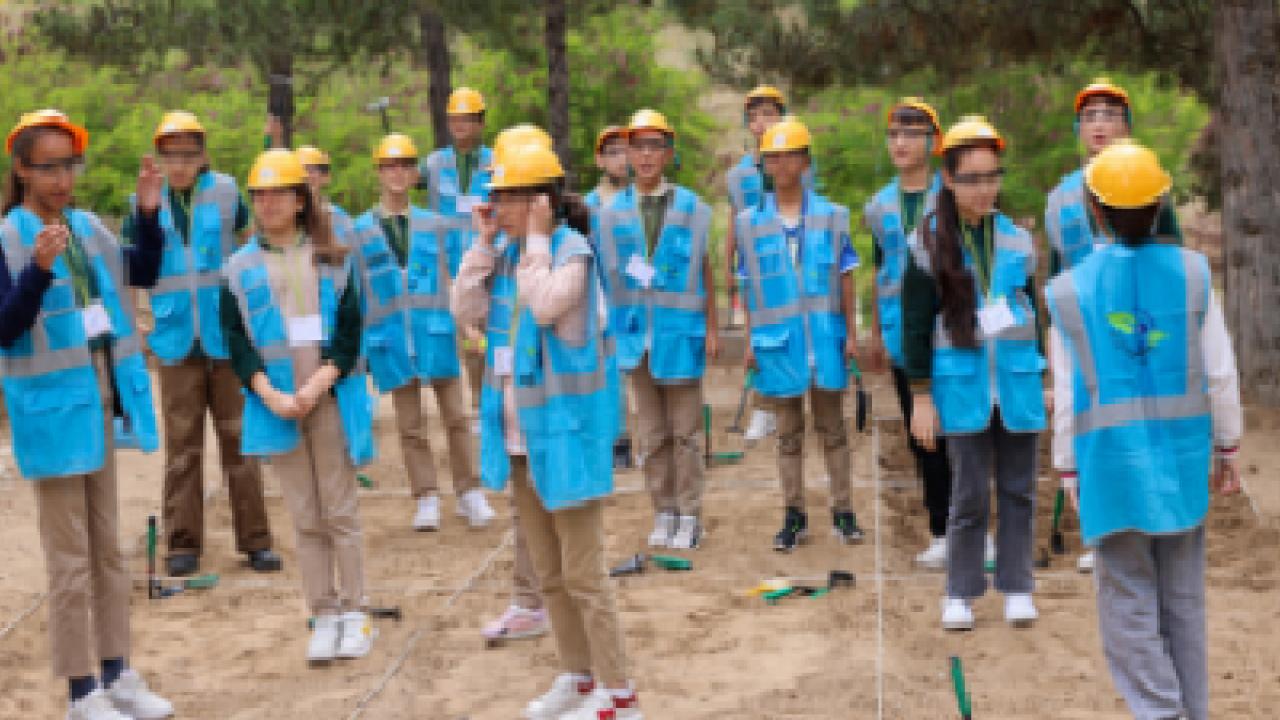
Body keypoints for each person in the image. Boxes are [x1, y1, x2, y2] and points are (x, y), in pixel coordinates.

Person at [1047, 140, 1241, 720]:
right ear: (1161, 205)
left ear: (1093, 210)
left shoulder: (1066, 292)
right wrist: (1228, 447)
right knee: (1183, 598)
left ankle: (1161, 712)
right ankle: (1191, 711)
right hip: (1183, 462)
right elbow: (1221, 372)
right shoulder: (1193, 272)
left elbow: (1066, 395)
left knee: (1127, 601)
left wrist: (1066, 467)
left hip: (1108, 465)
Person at [452, 141, 642, 719]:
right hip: (521, 441)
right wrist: (484, 244)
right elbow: (464, 308)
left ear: (539, 200)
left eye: (505, 197)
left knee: (585, 574)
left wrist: (534, 239)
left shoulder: (571, 252)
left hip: (565, 437)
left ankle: (620, 694)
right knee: (551, 574)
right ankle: (578, 678)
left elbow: (544, 307)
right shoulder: (507, 254)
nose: (496, 207)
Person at [0, 109, 173, 719]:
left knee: (108, 550)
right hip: (51, 416)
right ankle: (81, 692)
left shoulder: (86, 227)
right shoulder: (8, 239)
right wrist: (36, 275)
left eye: (69, 166)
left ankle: (118, 671)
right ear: (21, 170)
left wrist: (149, 215)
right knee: (69, 559)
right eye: (48, 168)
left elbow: (143, 272)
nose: (62, 180)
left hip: (100, 406)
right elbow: (4, 327)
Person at [220, 149, 376, 663]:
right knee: (305, 516)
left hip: (326, 399)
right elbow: (237, 343)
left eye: (278, 193)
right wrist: (273, 395)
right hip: (276, 406)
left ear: (300, 198)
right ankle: (323, 613)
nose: (267, 204)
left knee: (340, 510)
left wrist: (317, 386)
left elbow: (350, 331)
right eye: (259, 195)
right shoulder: (238, 269)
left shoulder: (334, 255)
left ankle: (356, 613)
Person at [903, 116, 1047, 631]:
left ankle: (1017, 587)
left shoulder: (1016, 240)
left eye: (992, 176)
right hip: (960, 387)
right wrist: (920, 396)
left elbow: (1032, 312)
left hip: (1016, 383)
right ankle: (961, 591)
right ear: (948, 178)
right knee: (967, 495)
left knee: (1019, 491)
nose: (985, 188)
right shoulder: (927, 243)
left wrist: (1042, 373)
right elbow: (915, 325)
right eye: (972, 178)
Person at [124, 110, 280, 578]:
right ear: (159, 157)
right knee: (183, 448)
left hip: (227, 339)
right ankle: (183, 544)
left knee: (240, 441)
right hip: (174, 342)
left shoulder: (229, 192)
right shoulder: (145, 202)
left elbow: (252, 247)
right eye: (171, 155)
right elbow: (138, 270)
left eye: (188, 155)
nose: (180, 165)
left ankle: (256, 541)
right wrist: (137, 323)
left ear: (203, 155)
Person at [1045, 77, 1183, 574]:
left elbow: (1174, 262)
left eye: (1109, 114)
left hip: (1143, 330)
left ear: (1126, 126)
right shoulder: (1060, 197)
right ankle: (1104, 531)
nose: (1099, 123)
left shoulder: (1152, 185)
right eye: (1090, 116)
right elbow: (1055, 273)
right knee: (1094, 430)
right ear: (1079, 128)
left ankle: (1150, 520)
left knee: (1145, 425)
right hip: (1087, 335)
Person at [351, 133, 493, 531]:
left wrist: (467, 325)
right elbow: (359, 290)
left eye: (404, 165)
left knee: (456, 416)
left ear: (415, 173)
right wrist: (360, 350)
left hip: (436, 332)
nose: (397, 173)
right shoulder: (362, 229)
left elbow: (454, 280)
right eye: (389, 166)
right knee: (410, 424)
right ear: (379, 173)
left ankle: (469, 492)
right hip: (392, 339)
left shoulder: (435, 224)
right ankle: (426, 496)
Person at [735, 116, 864, 552]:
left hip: (825, 340)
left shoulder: (831, 216)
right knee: (788, 435)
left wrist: (851, 332)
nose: (784, 162)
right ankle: (794, 515)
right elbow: (747, 285)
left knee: (834, 431)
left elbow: (846, 276)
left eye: (793, 153)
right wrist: (750, 339)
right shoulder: (749, 223)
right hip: (778, 345)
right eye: (775, 155)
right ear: (764, 164)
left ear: (806, 161)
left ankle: (843, 512)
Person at [594, 108, 717, 550]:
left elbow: (704, 271)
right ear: (626, 154)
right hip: (634, 339)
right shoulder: (609, 215)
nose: (645, 156)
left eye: (654, 146)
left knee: (685, 433)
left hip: (680, 335)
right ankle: (663, 510)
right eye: (637, 146)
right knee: (652, 434)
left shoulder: (692, 210)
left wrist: (713, 328)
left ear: (667, 153)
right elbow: (607, 280)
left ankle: (689, 514)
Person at [863, 98, 956, 570]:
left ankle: (972, 527)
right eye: (894, 134)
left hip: (954, 334)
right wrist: (876, 335)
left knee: (962, 431)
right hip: (904, 337)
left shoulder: (954, 194)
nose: (900, 142)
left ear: (933, 142)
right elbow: (880, 269)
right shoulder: (879, 207)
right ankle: (941, 528)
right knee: (921, 432)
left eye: (911, 133)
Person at [725, 85, 815, 443]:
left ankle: (789, 400)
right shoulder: (738, 175)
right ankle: (764, 408)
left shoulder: (799, 163)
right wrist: (729, 264)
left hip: (792, 259)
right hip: (757, 263)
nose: (761, 122)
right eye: (755, 116)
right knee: (760, 334)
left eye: (769, 114)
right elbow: (734, 219)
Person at [421, 87, 493, 425]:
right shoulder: (434, 165)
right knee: (467, 338)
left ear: (481, 123)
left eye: (468, 119)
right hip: (450, 265)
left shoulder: (495, 163)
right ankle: (479, 401)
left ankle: (493, 398)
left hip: (489, 260)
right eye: (455, 119)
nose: (461, 125)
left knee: (490, 330)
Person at [584, 125, 629, 212]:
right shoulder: (586, 208)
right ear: (599, 160)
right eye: (613, 152)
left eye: (626, 151)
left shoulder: (642, 201)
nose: (623, 157)